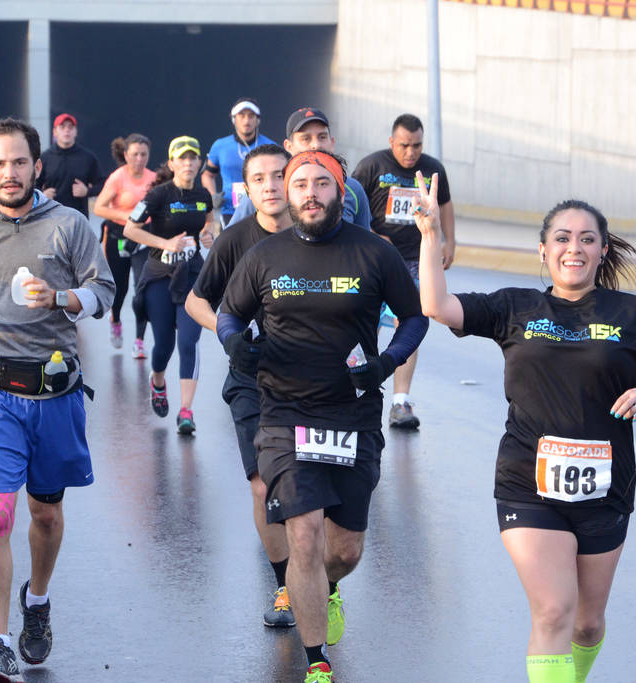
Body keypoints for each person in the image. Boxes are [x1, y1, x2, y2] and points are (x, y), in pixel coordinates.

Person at [416, 177, 636, 682]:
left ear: (602, 250)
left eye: (586, 239)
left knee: (586, 623)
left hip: (607, 484)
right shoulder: (515, 307)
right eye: (562, 238)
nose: (574, 248)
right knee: (554, 612)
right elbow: (437, 306)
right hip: (527, 479)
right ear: (543, 250)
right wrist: (432, 235)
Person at [217, 151, 427, 682]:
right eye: (300, 184)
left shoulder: (373, 253)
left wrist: (387, 361)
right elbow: (228, 313)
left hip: (352, 415)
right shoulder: (265, 256)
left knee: (346, 549)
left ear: (339, 192)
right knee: (304, 534)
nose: (310, 193)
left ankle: (328, 588)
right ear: (288, 194)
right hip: (285, 412)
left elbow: (414, 317)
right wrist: (234, 343)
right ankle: (317, 664)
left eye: (322, 184)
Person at [0, 117, 115, 682]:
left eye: (18, 162)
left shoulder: (69, 225)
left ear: (37, 167)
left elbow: (104, 290)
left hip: (55, 392)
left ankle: (36, 600)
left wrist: (61, 297)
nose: (8, 173)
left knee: (45, 513)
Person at [185, 144, 296, 628]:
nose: (271, 186)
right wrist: (228, 334)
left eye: (279, 176)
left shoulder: (322, 234)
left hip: (316, 384)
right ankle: (287, 588)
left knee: (319, 496)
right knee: (261, 486)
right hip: (251, 377)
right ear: (246, 189)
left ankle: (322, 581)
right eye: (260, 179)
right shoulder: (235, 239)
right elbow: (195, 301)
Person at [353, 113, 456, 430]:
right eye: (404, 145)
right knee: (367, 323)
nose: (410, 152)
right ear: (391, 142)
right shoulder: (372, 166)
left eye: (416, 145)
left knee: (408, 322)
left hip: (415, 258)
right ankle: (359, 387)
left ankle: (400, 401)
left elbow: (446, 204)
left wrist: (448, 240)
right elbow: (354, 203)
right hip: (375, 258)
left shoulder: (433, 168)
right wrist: (370, 233)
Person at [122, 136, 219, 434]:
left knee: (188, 341)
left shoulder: (202, 195)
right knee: (163, 343)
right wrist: (165, 243)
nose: (188, 163)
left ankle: (186, 411)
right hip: (160, 275)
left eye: (193, 158)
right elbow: (130, 229)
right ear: (172, 162)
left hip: (191, 274)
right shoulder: (158, 195)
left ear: (199, 162)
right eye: (183, 158)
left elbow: (210, 220)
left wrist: (207, 234)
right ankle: (158, 381)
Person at [229, 107, 371, 230]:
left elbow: (364, 244)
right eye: (306, 139)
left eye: (322, 137)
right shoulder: (270, 190)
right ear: (288, 147)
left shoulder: (353, 189)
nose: (316, 145)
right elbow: (233, 239)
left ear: (332, 143)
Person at [93, 134, 155, 354]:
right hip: (118, 236)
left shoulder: (153, 178)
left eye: (143, 154)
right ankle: (116, 319)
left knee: (142, 288)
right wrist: (126, 214)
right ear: (126, 155)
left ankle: (139, 340)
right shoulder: (118, 177)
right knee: (120, 287)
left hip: (143, 237)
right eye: (135, 154)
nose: (139, 159)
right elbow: (98, 208)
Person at [201, 97, 276, 225]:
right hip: (229, 211)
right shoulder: (220, 146)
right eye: (241, 116)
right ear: (233, 119)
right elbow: (207, 175)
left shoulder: (270, 147)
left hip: (262, 209)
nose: (246, 121)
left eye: (251, 116)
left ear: (257, 120)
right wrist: (213, 196)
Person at [37, 113, 104, 217]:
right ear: (55, 132)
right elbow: (32, 185)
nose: (67, 130)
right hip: (50, 217)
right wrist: (42, 195)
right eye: (62, 127)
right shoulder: (45, 158)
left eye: (70, 127)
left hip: (78, 218)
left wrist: (87, 191)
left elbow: (103, 184)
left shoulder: (87, 158)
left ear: (76, 131)